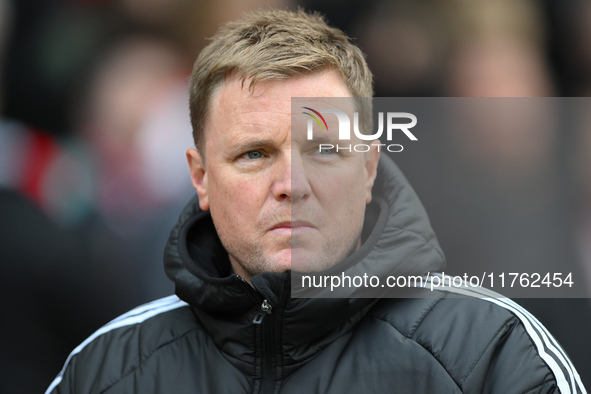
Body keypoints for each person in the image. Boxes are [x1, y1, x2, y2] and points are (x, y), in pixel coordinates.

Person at [46, 9, 585, 393]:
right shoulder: (103, 370)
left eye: (323, 150)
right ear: (201, 177)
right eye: (254, 154)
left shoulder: (491, 353)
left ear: (369, 167)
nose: (292, 183)